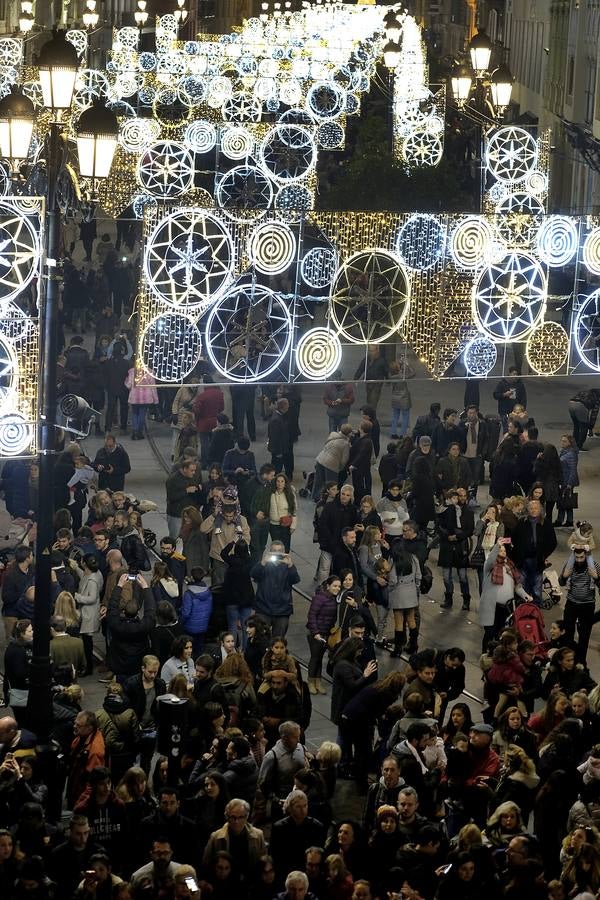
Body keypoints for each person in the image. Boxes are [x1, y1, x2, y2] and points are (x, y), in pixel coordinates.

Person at [479, 541, 533, 651]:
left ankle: (498, 654)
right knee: (489, 632)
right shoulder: (489, 567)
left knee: (501, 633)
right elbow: (490, 559)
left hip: (505, 608)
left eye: (504, 550)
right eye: (500, 550)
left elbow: (517, 586)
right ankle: (486, 654)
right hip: (491, 606)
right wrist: (497, 545)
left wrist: (525, 595)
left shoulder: (510, 566)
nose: (503, 552)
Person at [558, 545, 599, 663]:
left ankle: (581, 663)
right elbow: (561, 582)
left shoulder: (594, 566)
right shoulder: (569, 564)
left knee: (584, 637)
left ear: (586, 555)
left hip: (587, 605)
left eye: (582, 557)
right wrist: (564, 576)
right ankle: (568, 661)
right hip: (571, 604)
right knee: (568, 635)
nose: (579, 560)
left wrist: (596, 577)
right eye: (577, 557)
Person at [512, 499, 557, 603]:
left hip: (538, 560)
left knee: (537, 586)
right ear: (528, 510)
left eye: (536, 508)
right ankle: (523, 607)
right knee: (522, 585)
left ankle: (536, 608)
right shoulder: (521, 523)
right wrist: (519, 552)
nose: (533, 510)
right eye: (531, 508)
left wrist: (544, 555)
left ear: (540, 510)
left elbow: (553, 542)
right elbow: (514, 538)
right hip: (523, 560)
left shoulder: (546, 523)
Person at [437, 488, 474, 611]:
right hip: (447, 546)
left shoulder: (468, 512)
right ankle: (448, 598)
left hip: (460, 546)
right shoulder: (446, 509)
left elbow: (469, 530)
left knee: (462, 576)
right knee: (446, 576)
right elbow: (439, 526)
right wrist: (447, 536)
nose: (462, 498)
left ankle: (466, 599)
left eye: (464, 496)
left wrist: (457, 536)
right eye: (459, 495)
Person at [251, 543, 300, 636]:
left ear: (284, 552)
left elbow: (295, 579)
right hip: (263, 608)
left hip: (283, 610)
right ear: (270, 552)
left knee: (278, 641)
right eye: (274, 550)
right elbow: (253, 574)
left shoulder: (288, 566)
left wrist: (290, 565)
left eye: (280, 551)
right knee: (261, 638)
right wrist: (263, 562)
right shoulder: (264, 565)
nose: (277, 553)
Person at [306, 575, 341, 695]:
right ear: (328, 586)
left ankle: (318, 682)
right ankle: (311, 682)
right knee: (315, 657)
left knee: (320, 658)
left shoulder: (333, 599)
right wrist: (315, 632)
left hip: (325, 633)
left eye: (338, 586)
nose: (337, 588)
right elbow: (311, 616)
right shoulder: (319, 598)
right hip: (316, 633)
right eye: (335, 586)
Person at [193, 375, 225, 469]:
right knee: (213, 442)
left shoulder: (202, 396)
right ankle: (213, 461)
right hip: (215, 421)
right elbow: (222, 408)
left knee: (204, 444)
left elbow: (197, 410)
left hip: (203, 422)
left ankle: (204, 463)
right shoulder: (219, 393)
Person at [354, 345, 389, 412]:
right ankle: (370, 411)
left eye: (372, 351)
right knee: (369, 398)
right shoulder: (367, 359)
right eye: (370, 350)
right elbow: (361, 368)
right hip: (368, 381)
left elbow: (386, 371)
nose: (371, 352)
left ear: (377, 350)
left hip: (377, 382)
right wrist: (356, 378)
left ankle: (371, 414)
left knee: (374, 399)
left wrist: (388, 380)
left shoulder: (382, 360)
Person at [269, 472, 297, 552]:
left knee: (285, 547)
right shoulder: (271, 493)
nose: (280, 483)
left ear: (285, 483)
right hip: (273, 525)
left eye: (282, 481)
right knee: (275, 547)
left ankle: (284, 563)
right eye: (278, 481)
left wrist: (293, 526)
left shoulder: (290, 493)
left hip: (285, 525)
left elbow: (294, 510)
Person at [555, 434, 579, 527]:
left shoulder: (571, 454)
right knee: (565, 501)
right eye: (562, 440)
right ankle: (564, 520)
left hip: (567, 481)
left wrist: (569, 484)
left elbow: (573, 470)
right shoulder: (564, 451)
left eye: (565, 441)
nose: (562, 443)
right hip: (564, 480)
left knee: (566, 501)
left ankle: (564, 520)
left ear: (570, 443)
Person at [348, 421, 374, 501]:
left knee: (358, 485)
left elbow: (361, 454)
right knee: (357, 484)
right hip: (360, 466)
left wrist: (353, 465)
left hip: (360, 467)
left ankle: (359, 501)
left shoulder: (366, 441)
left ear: (362, 429)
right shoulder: (364, 439)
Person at [268, 398, 294, 479]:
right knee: (276, 468)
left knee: (283, 465)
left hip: (283, 448)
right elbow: (275, 438)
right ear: (283, 407)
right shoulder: (276, 420)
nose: (288, 407)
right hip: (279, 450)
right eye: (287, 405)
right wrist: (278, 452)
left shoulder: (280, 416)